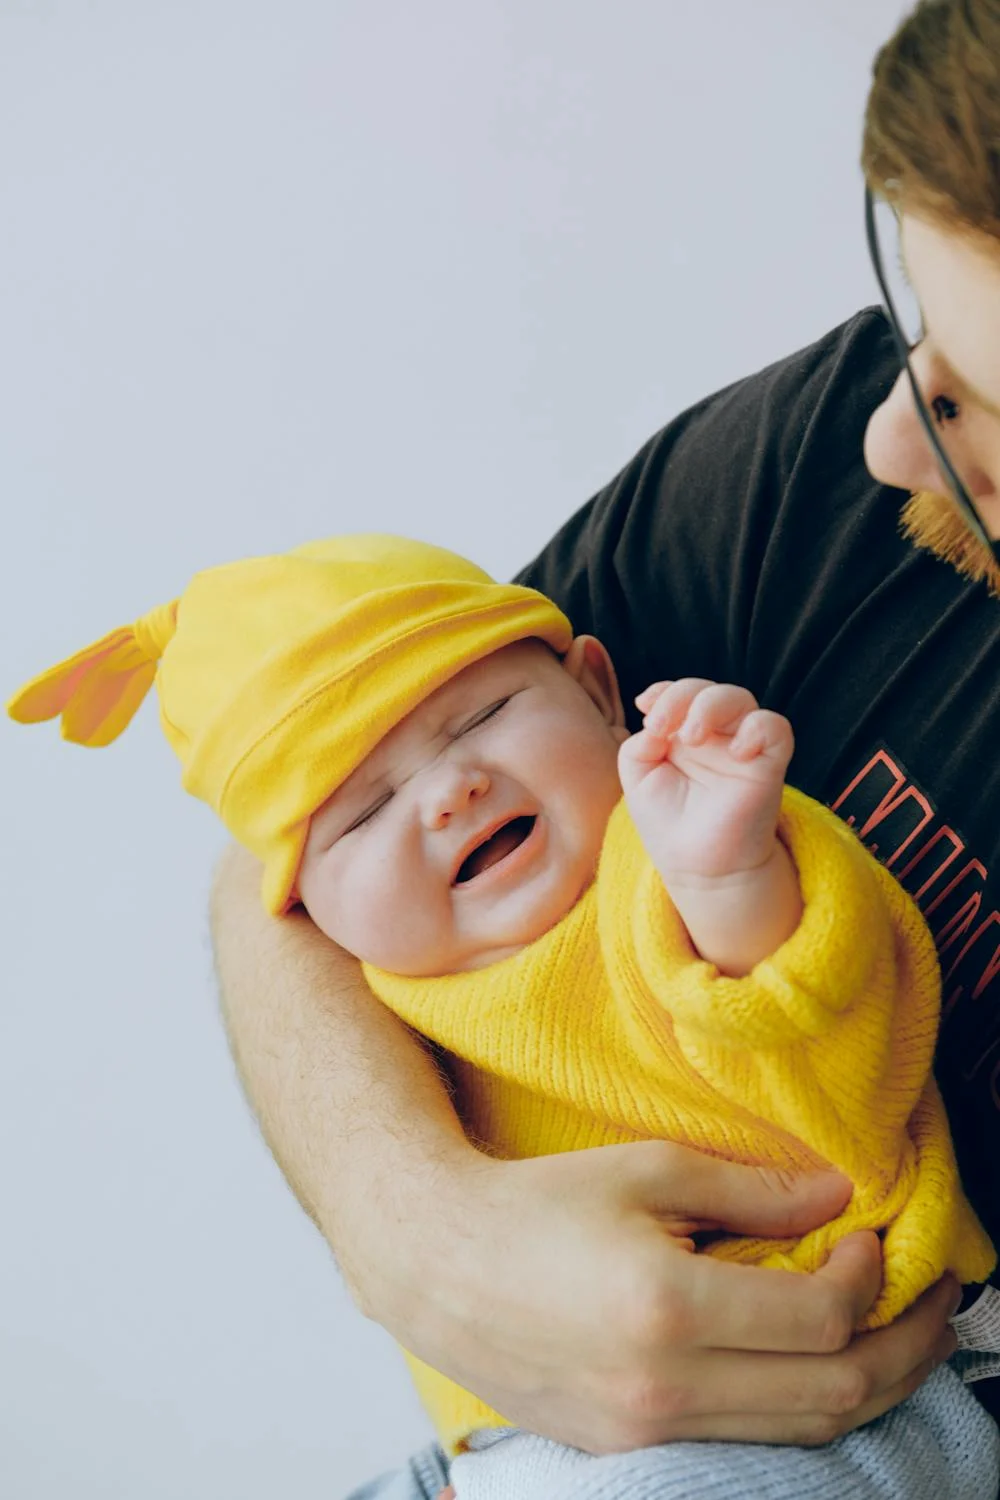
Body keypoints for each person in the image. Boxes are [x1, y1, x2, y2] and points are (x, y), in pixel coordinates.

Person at [199, 1, 1000, 1494]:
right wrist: (413, 1227)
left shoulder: (669, 852)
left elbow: (805, 999)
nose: (896, 435)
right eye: (916, 316)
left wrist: (732, 885)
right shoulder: (833, 449)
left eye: (991, 404)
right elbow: (274, 875)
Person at [7, 529, 999, 1498]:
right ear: (303, 909)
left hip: (847, 1398)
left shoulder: (663, 865)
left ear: (598, 690)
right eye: (361, 809)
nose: (449, 791)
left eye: (480, 716)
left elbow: (825, 1043)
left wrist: (731, 876)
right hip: (505, 1449)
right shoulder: (392, 994)